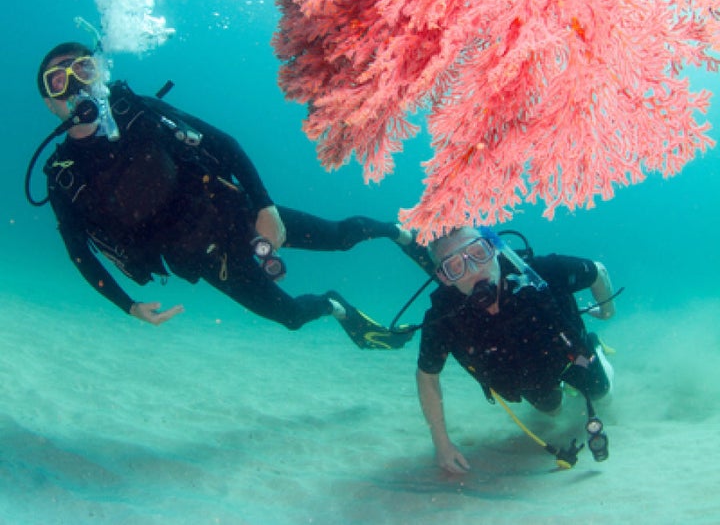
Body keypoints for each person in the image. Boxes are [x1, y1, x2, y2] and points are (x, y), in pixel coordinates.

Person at [32, 41, 415, 347]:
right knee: (293, 317)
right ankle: (337, 308)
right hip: (208, 261)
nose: (76, 84)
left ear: (100, 72)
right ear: (50, 104)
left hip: (238, 213)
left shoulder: (141, 112)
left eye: (83, 68)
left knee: (339, 238)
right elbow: (79, 252)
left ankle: (400, 233)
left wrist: (265, 207)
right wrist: (128, 305)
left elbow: (222, 142)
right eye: (58, 80)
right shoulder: (64, 176)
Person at [416, 225, 616, 472]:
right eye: (456, 266)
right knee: (551, 410)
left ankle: (595, 346)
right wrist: (442, 445)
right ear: (444, 277)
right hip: (526, 379)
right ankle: (558, 397)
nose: (475, 270)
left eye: (479, 253)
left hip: (570, 355)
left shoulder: (542, 272)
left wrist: (607, 313)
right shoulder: (443, 318)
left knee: (601, 393)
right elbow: (427, 376)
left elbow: (597, 271)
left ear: (495, 247)